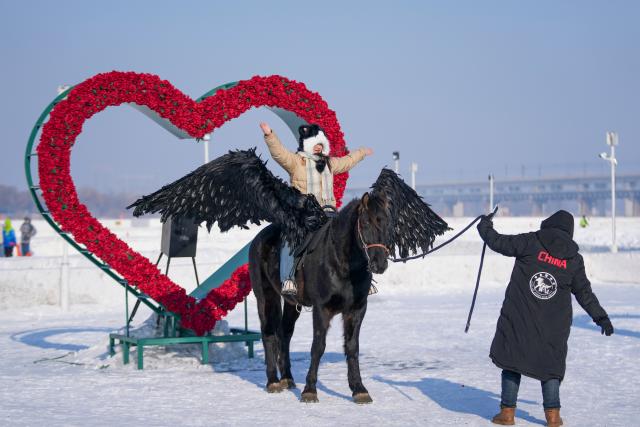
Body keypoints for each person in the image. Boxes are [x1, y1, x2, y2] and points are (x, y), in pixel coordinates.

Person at [477, 210, 613, 426]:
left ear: (549, 224)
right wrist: (601, 317)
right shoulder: (574, 259)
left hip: (520, 317)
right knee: (550, 366)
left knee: (512, 361)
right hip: (553, 325)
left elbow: (498, 242)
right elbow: (584, 293)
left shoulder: (531, 241)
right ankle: (553, 417)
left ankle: (507, 414)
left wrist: (485, 226)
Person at [260, 122, 373, 295]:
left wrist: (362, 153)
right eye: (315, 144)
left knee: (353, 235)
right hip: (304, 213)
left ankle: (363, 278)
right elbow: (279, 154)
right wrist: (270, 135)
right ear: (307, 145)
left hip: (329, 212)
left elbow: (347, 161)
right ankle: (288, 278)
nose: (318, 148)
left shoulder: (329, 163)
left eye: (321, 144)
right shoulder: (296, 162)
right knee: (291, 237)